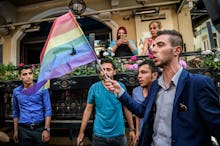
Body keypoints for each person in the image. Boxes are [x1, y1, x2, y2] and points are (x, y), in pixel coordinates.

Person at [104, 30, 220, 146]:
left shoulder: (198, 84)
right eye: (153, 45)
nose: (153, 49)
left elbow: (216, 126)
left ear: (177, 50)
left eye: (160, 45)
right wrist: (120, 91)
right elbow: (142, 111)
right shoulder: (155, 85)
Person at [77, 58, 135, 146]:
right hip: (99, 135)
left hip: (118, 134)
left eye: (108, 69)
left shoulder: (120, 87)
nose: (105, 72)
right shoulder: (94, 88)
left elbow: (126, 108)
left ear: (114, 72)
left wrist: (131, 129)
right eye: (103, 70)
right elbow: (88, 110)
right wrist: (81, 132)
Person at [13, 65, 52, 146]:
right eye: (25, 74)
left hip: (40, 129)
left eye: (30, 73)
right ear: (20, 77)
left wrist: (46, 129)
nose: (28, 76)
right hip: (23, 130)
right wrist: (16, 131)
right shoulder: (16, 91)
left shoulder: (42, 89)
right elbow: (15, 111)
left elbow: (48, 110)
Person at [131, 60, 159, 145]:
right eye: (139, 73)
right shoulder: (136, 92)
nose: (139, 76)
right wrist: (138, 131)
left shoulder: (161, 91)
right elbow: (138, 114)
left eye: (143, 72)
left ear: (154, 75)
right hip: (144, 135)